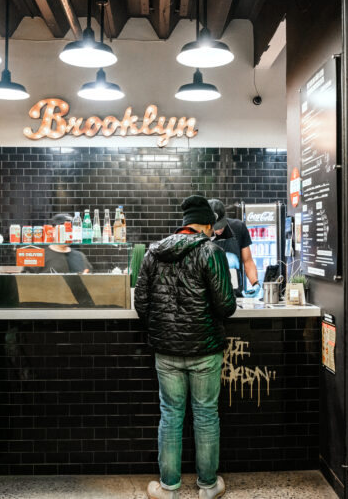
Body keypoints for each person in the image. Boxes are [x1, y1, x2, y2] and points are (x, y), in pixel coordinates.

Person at [134, 195, 236, 499]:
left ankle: (169, 488)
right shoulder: (211, 252)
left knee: (170, 414)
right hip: (205, 350)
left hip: (166, 352)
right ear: (207, 225)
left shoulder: (153, 252)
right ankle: (207, 487)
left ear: (183, 224)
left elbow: (141, 304)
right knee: (205, 415)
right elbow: (226, 306)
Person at [208, 199, 261, 298]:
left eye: (221, 225)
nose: (219, 230)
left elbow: (248, 261)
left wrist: (255, 284)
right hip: (211, 296)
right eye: (215, 226)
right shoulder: (203, 234)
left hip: (235, 295)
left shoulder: (238, 227)